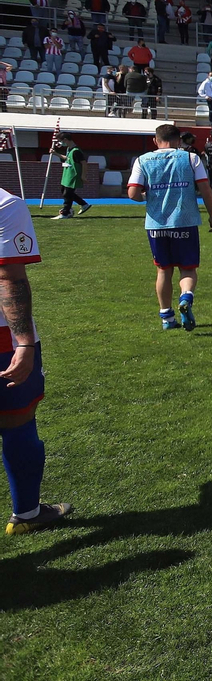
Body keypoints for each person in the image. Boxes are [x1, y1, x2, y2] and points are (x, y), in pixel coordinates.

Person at [0, 188, 72, 535]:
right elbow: (9, 276)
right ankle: (26, 513)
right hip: (2, 338)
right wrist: (24, 341)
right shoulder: (5, 204)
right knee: (18, 420)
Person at [127, 124, 212, 331]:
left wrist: (146, 196)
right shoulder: (190, 158)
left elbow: (133, 193)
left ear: (155, 140)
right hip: (185, 221)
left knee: (163, 270)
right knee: (188, 268)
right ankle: (186, 297)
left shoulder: (143, 160)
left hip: (157, 224)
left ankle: (167, 318)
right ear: (179, 141)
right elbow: (205, 188)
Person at [51, 135, 91, 219]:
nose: (60, 143)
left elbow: (84, 163)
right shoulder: (69, 149)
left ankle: (66, 212)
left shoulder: (76, 151)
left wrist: (83, 176)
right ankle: (83, 204)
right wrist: (55, 154)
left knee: (68, 193)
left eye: (60, 141)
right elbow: (67, 158)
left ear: (65, 140)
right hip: (67, 173)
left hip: (73, 174)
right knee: (65, 191)